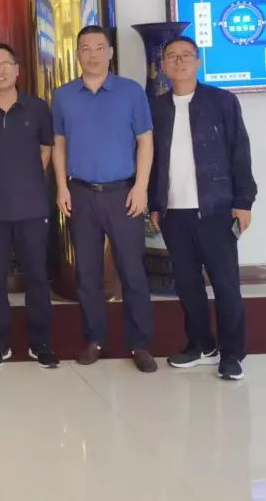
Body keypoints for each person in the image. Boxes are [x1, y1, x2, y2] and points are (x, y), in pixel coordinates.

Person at [149, 37, 257, 381]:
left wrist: (243, 201)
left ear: (197, 62)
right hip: (174, 213)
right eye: (171, 57)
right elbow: (150, 161)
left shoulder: (221, 101)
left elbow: (240, 151)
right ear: (163, 65)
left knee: (226, 284)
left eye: (185, 56)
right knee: (187, 284)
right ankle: (201, 344)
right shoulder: (156, 107)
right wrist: (154, 204)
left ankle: (232, 353)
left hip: (216, 209)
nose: (178, 62)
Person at [52, 25, 157, 373]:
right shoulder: (64, 95)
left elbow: (145, 141)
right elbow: (59, 145)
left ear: (110, 53)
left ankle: (140, 343)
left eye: (100, 47)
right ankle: (94, 339)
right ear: (77, 54)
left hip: (122, 193)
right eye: (86, 48)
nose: (93, 54)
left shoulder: (130, 91)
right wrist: (61, 187)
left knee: (132, 272)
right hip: (81, 193)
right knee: (87, 273)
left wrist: (141, 187)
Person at [0, 43, 59, 369]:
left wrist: (24, 178)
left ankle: (40, 342)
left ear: (17, 70)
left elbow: (46, 149)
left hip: (32, 206)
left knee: (37, 276)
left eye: (5, 64)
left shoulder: (37, 108)